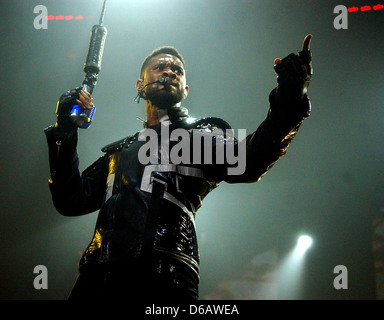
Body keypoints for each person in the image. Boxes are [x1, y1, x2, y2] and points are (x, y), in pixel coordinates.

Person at [44, 35, 313, 300]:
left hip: (166, 276)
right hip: (97, 278)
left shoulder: (200, 137)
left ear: (185, 90)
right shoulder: (120, 151)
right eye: (159, 67)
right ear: (140, 84)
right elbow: (70, 200)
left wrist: (289, 99)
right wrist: (65, 131)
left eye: (177, 70)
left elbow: (250, 160)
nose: (169, 72)